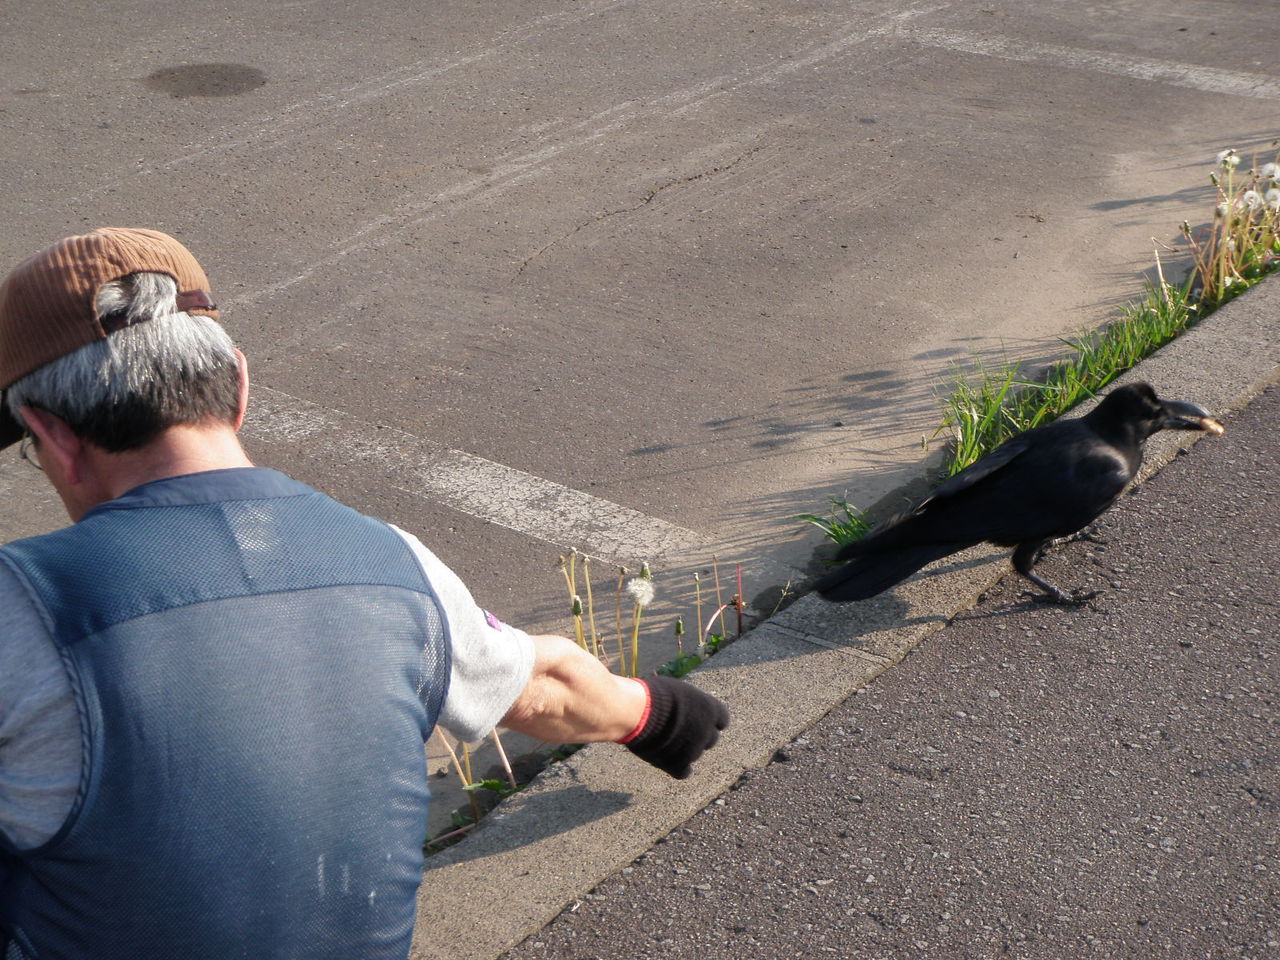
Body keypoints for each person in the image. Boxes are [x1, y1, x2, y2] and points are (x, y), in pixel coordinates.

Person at [0, 228, 730, 960]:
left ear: (51, 435)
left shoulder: (21, 604)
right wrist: (657, 715)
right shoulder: (393, 560)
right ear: (241, 385)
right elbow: (543, 686)